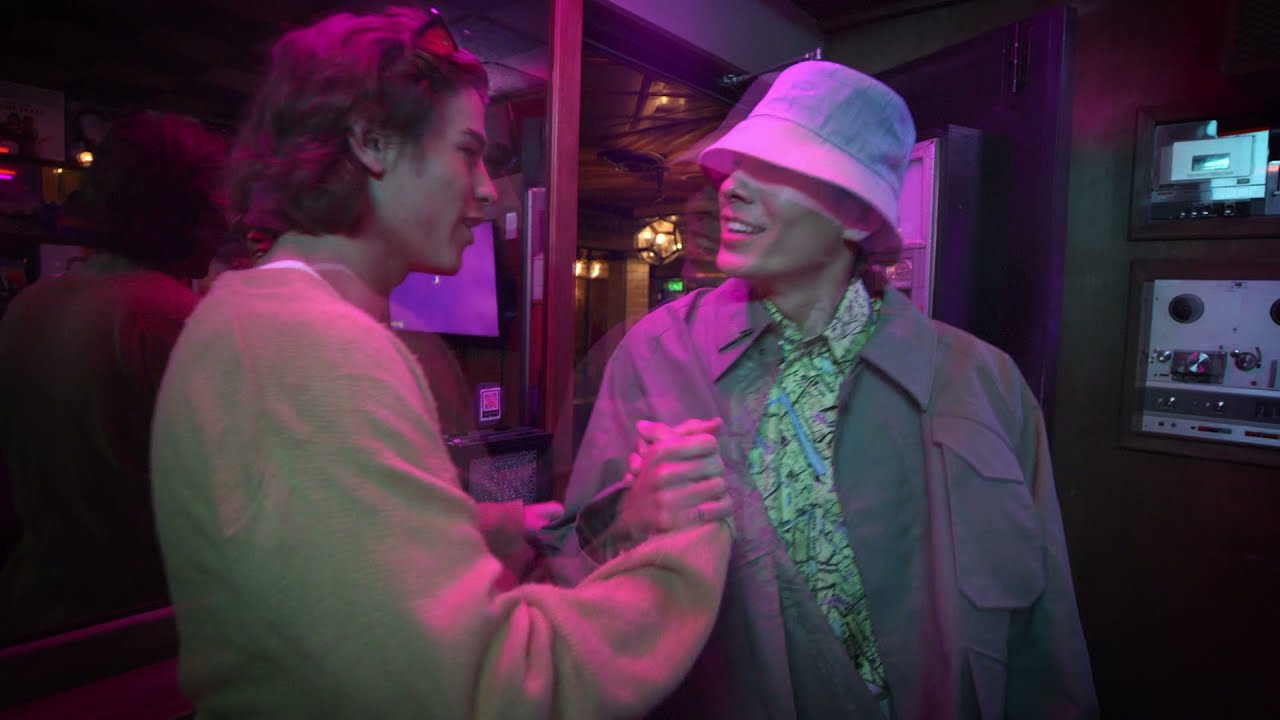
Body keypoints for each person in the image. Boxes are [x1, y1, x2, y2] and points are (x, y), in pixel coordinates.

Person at [149, 7, 731, 718]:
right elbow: (491, 689)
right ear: (372, 142)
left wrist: (504, 528)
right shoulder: (319, 349)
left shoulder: (248, 314)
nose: (486, 188)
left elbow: (321, 572)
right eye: (466, 151)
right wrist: (677, 544)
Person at [550, 61, 1098, 719]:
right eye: (735, 167)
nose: (731, 189)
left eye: (775, 167)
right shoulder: (659, 354)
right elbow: (573, 591)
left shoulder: (980, 382)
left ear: (857, 216)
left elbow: (1044, 634)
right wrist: (628, 525)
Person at [0, 112, 227, 643]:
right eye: (218, 207)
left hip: (33, 611)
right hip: (137, 628)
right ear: (185, 212)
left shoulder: (30, 305)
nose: (226, 227)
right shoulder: (173, 322)